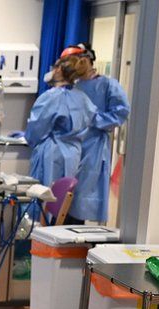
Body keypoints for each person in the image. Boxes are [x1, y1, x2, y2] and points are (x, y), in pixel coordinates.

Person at [62, 43, 130, 224]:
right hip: (68, 147)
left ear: (87, 60)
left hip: (92, 148)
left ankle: (77, 247)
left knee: (81, 201)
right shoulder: (70, 86)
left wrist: (93, 119)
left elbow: (121, 112)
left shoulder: (107, 85)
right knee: (61, 202)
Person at [25, 56, 96, 190]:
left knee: (45, 198)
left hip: (52, 155)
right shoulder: (82, 98)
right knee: (62, 199)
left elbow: (35, 130)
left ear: (59, 70)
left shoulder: (51, 97)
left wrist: (27, 137)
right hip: (74, 154)